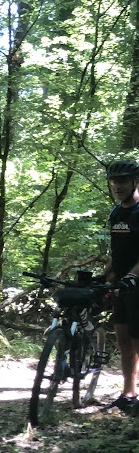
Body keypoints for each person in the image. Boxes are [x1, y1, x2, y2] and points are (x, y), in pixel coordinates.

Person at [102, 158, 139, 413]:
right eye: (114, 182)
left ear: (135, 181)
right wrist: (103, 276)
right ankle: (128, 394)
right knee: (123, 339)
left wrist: (132, 276)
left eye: (123, 181)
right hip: (121, 286)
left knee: (138, 341)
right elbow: (116, 253)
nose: (117, 186)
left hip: (136, 285)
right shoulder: (117, 213)